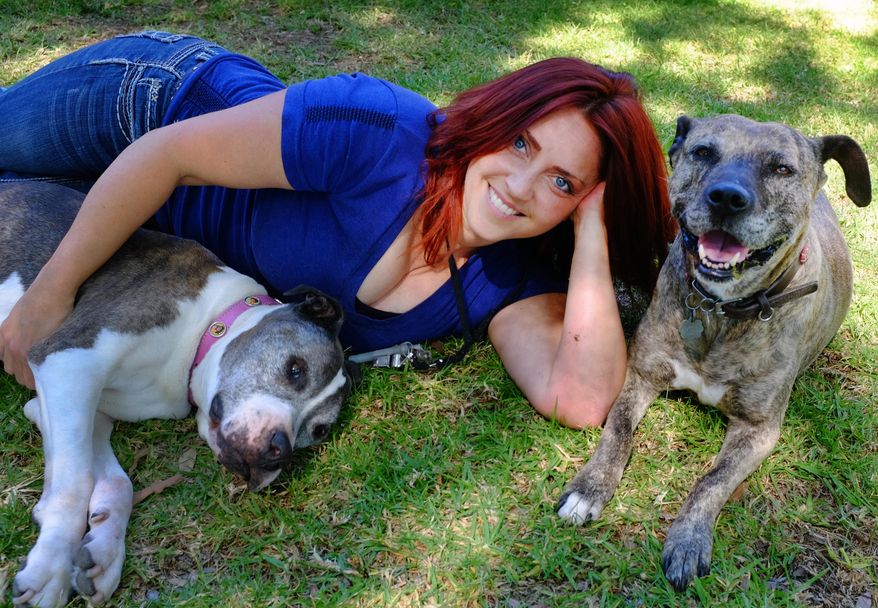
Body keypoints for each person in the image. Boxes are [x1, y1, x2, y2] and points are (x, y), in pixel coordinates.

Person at [0, 31, 674, 429]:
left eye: (563, 182)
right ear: (494, 118)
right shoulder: (382, 134)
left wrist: (592, 237)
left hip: (141, 238)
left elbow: (581, 399)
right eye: (521, 143)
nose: (522, 187)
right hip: (150, 107)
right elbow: (165, 156)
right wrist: (49, 299)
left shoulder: (508, 279)